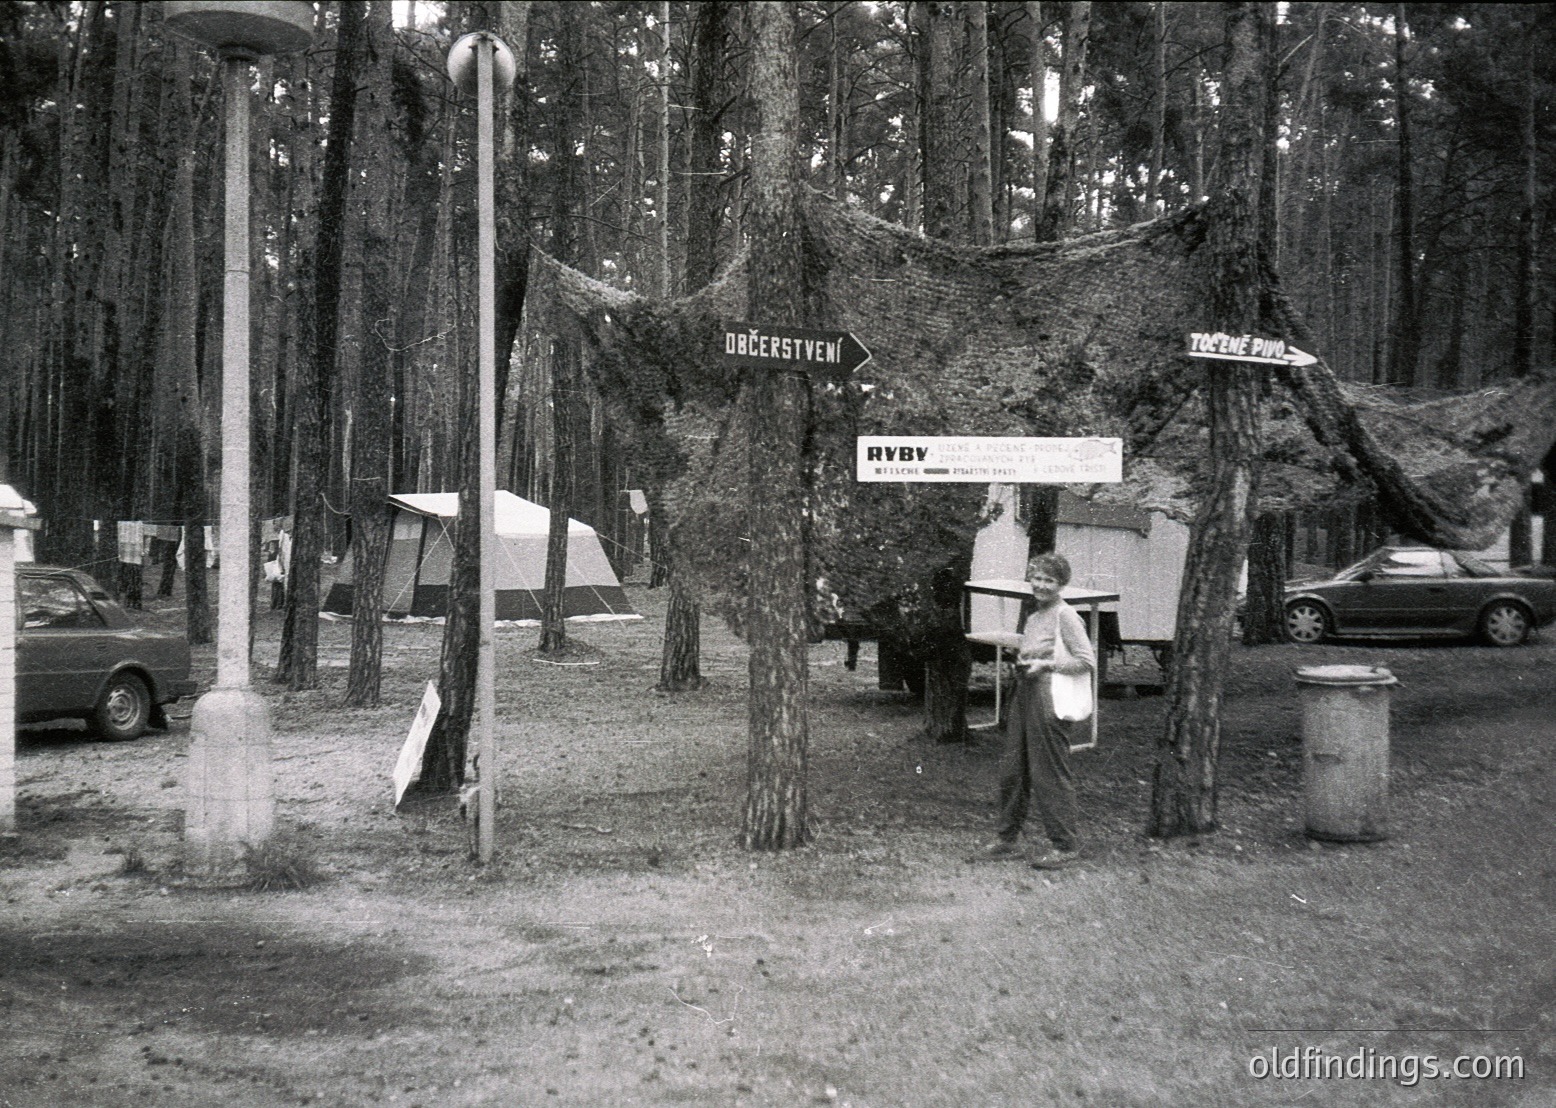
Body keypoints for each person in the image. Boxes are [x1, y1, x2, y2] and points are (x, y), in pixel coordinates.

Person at [971, 551, 1096, 869]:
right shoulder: (1034, 615)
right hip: (1025, 692)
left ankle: (1065, 845)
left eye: (1049, 580)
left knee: (1048, 772)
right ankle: (1006, 840)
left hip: (1049, 695)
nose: (1041, 585)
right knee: (1013, 769)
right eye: (1037, 578)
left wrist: (1045, 663)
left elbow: (1086, 660)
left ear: (1061, 584)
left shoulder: (1065, 615)